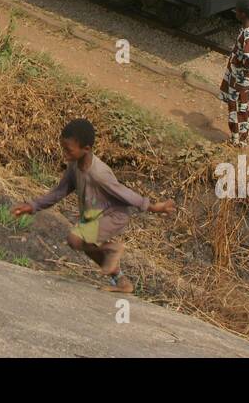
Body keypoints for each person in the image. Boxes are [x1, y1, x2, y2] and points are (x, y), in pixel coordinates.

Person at [12, 118, 175, 294]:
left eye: (68, 150)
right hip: (96, 215)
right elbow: (59, 192)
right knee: (88, 248)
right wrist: (33, 205)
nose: (64, 154)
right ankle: (121, 281)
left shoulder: (99, 173)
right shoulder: (74, 166)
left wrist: (154, 207)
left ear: (86, 149)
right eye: (63, 148)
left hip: (114, 216)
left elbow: (126, 194)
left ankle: (114, 249)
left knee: (75, 239)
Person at [219, 0, 249, 147]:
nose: (235, 13)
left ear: (242, 14)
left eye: (237, 11)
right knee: (243, 106)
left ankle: (237, 141)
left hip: (239, 80)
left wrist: (238, 62)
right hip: (244, 80)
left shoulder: (248, 35)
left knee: (237, 108)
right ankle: (241, 138)